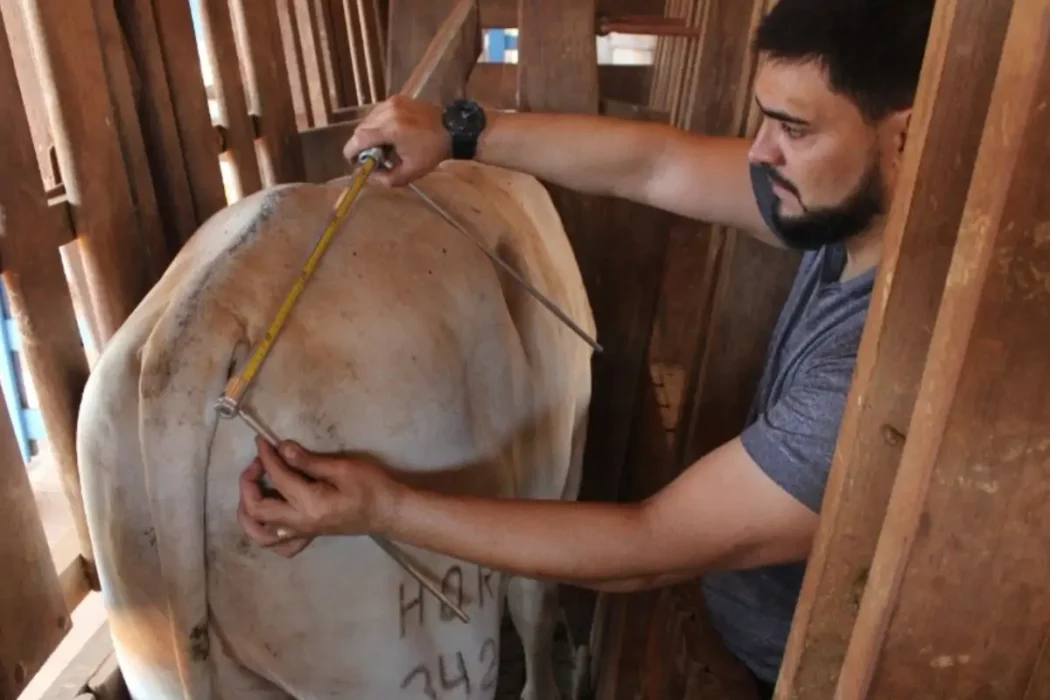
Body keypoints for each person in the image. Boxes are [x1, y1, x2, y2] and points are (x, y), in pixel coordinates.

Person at [236, 0, 935, 695]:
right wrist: (460, 133)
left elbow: (647, 545)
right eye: (764, 118)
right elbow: (656, 165)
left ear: (906, 139)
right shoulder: (854, 215)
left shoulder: (880, 370)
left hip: (789, 670)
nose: (759, 151)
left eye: (793, 128)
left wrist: (383, 510)